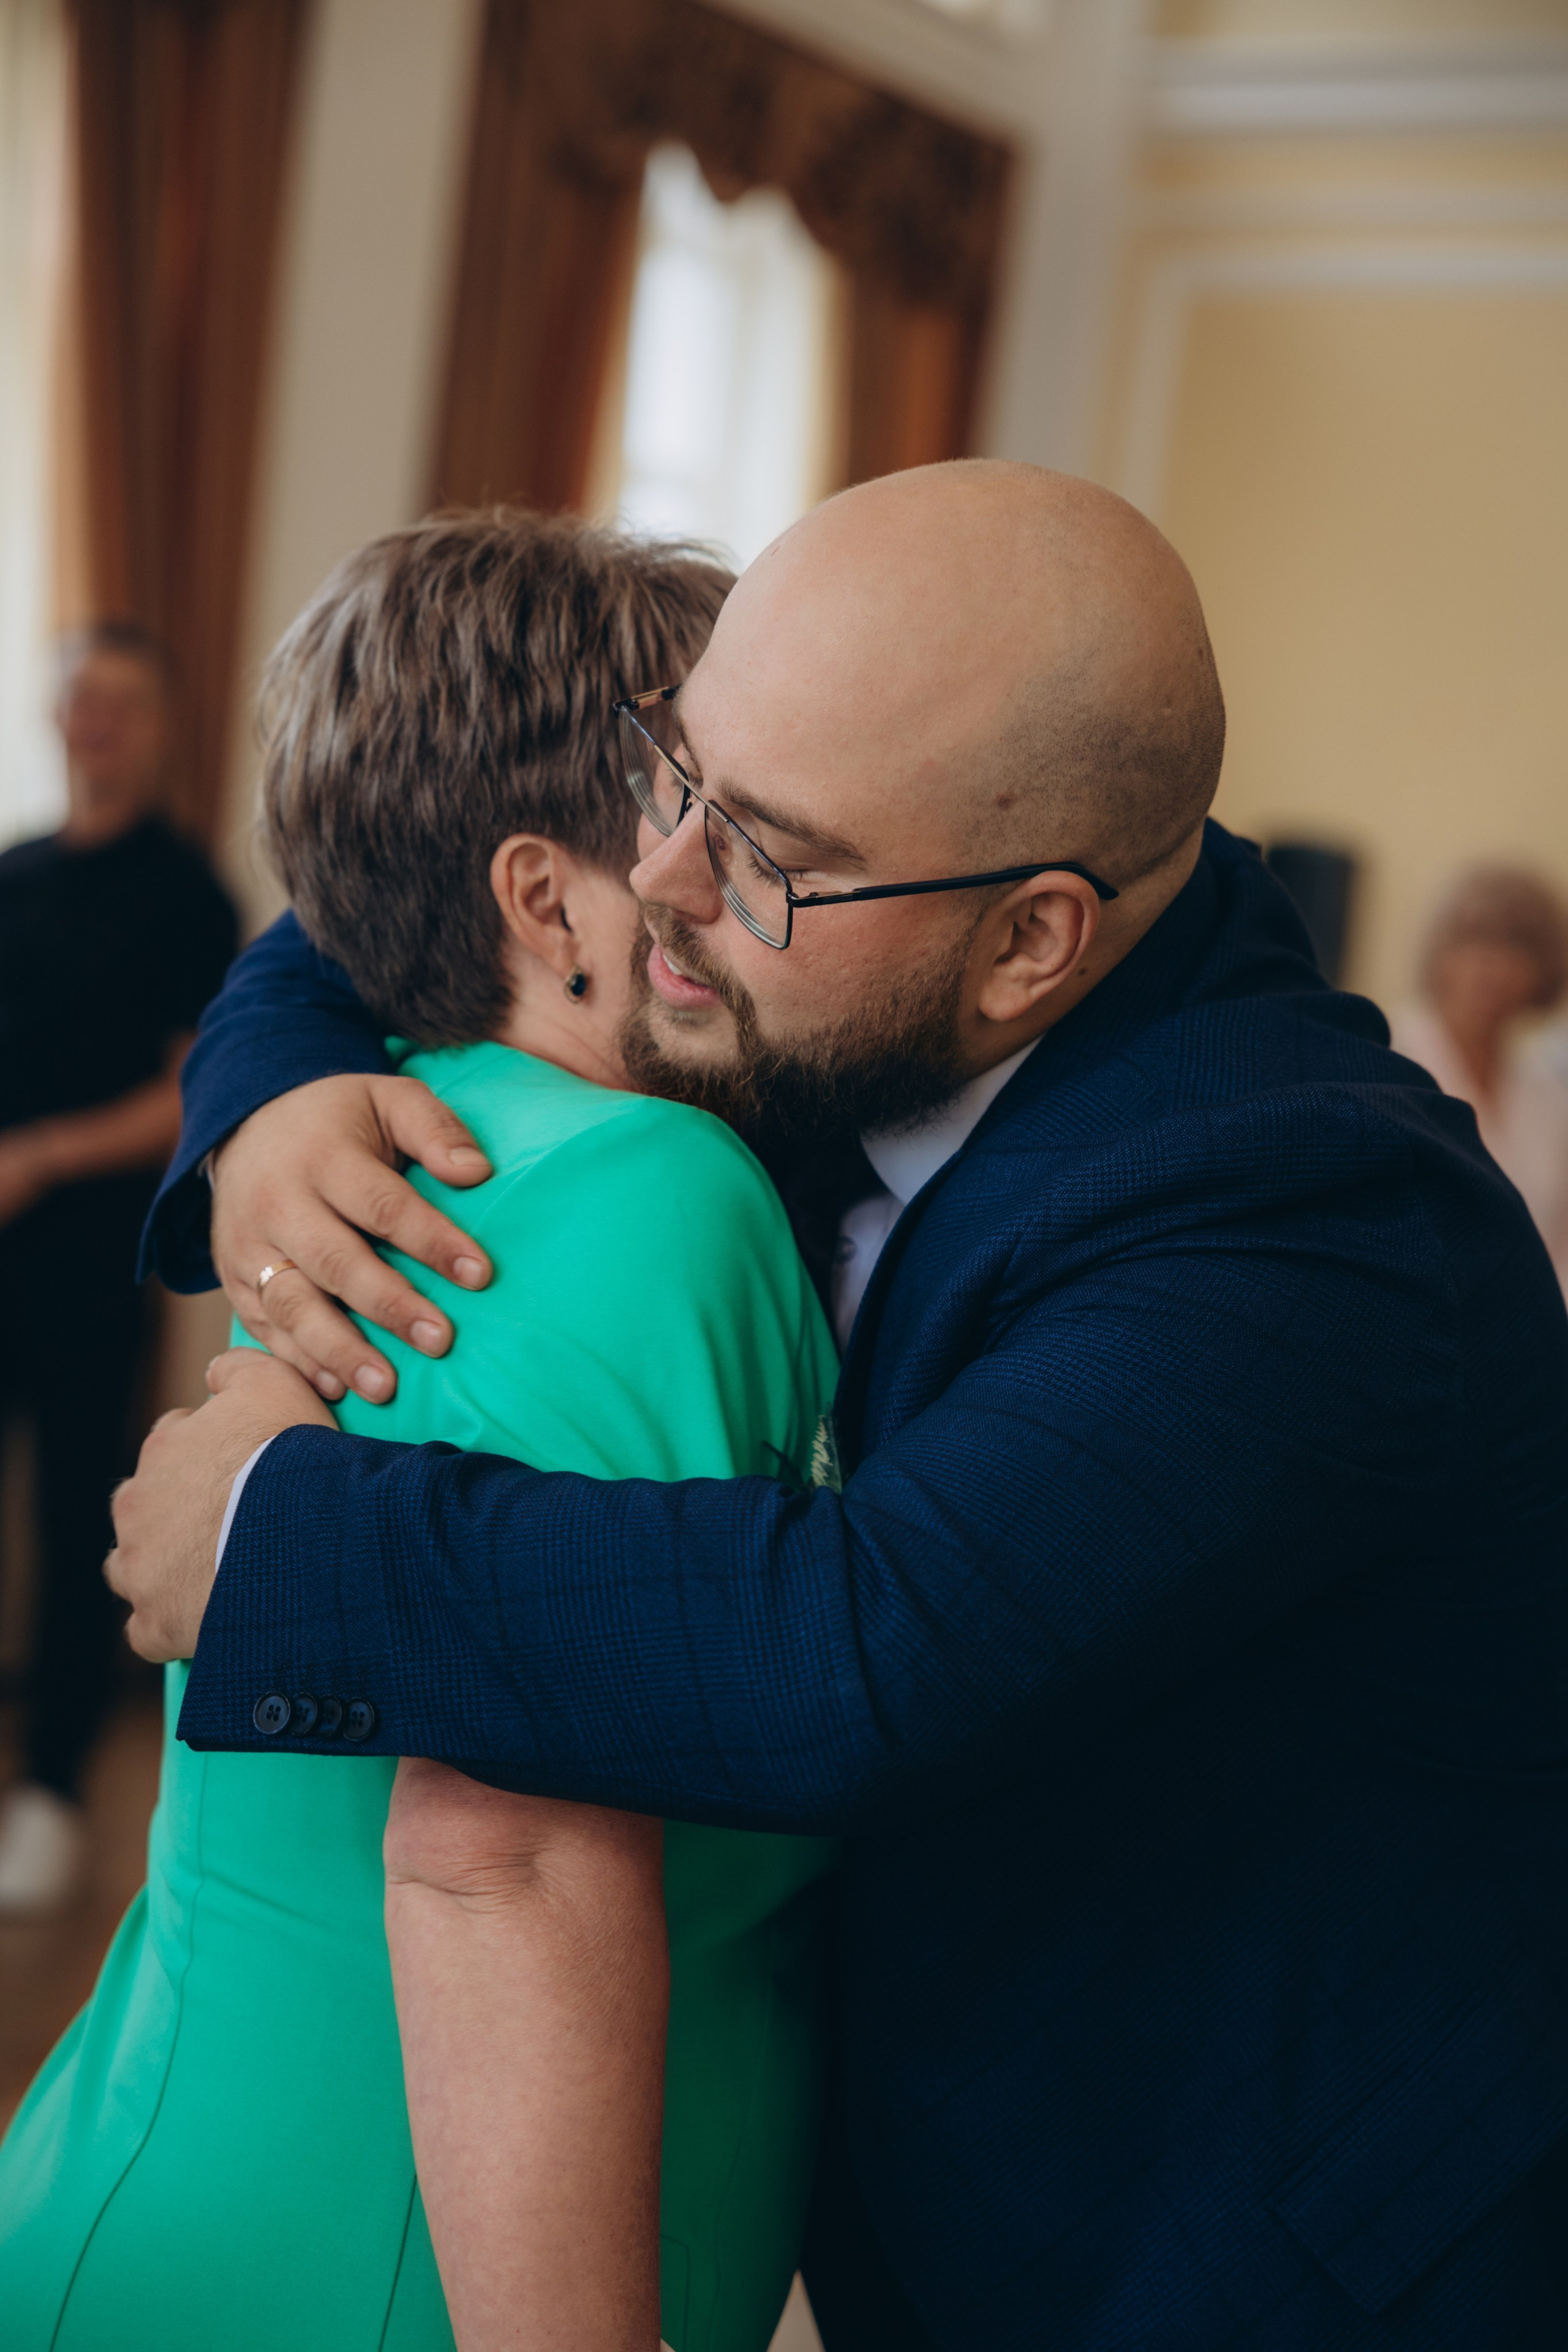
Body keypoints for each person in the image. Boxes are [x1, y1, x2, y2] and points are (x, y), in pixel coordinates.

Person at [110, 462, 1568, 2352]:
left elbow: (861, 1638)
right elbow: (376, 898)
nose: (668, 885)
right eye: (672, 773)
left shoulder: (1308, 1212)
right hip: (920, 2197)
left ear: (1031, 937)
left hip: (1236, 2244)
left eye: (762, 850)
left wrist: (267, 1533)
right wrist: (267, 1098)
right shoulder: (850, 934)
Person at [0, 516, 842, 2351]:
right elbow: (511, 1850)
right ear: (546, 900)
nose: (742, 864)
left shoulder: (374, 1135)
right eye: (704, 805)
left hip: (175, 2151)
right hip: (380, 2256)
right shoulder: (652, 1189)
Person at [0, 620, 235, 1911]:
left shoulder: (184, 891)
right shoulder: (17, 868)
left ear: (157, 728)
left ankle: (49, 1795)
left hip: (90, 1259)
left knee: (75, 1511)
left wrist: (36, 1156)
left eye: (122, 705)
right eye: (81, 699)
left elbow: (189, 1087)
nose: (95, 722)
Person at [1390, 864, 1568, 1291]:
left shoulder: (1548, 1090)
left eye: (1517, 946)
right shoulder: (1390, 1055)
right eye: (1474, 938)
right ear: (1441, 952)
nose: (1492, 964)